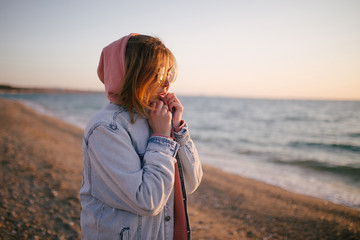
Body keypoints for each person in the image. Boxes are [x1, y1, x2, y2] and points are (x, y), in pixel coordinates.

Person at [79, 33, 203, 240]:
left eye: (168, 74)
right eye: (158, 74)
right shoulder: (105, 128)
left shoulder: (156, 118)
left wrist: (177, 129)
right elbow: (148, 200)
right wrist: (162, 139)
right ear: (131, 76)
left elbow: (190, 182)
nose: (166, 84)